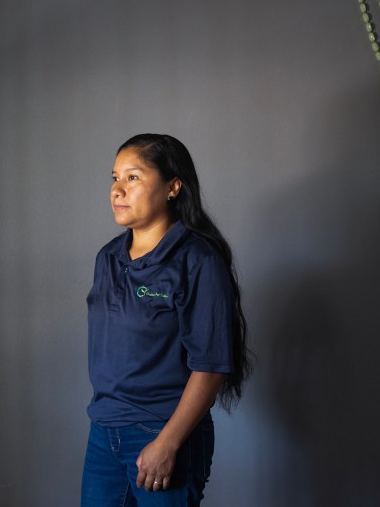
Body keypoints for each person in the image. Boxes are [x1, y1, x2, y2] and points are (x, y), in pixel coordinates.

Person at [81, 133, 252, 506]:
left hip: (161, 432)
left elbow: (211, 366)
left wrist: (168, 442)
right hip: (104, 434)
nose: (117, 190)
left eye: (133, 177)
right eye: (114, 178)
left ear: (173, 187)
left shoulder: (197, 261)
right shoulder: (107, 258)